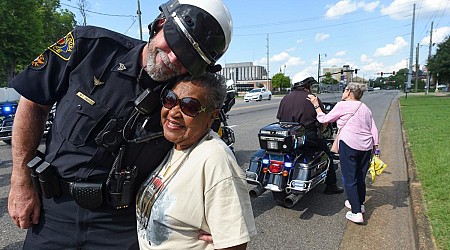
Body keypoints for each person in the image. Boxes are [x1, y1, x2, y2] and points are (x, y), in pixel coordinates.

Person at [7, 0, 233, 248]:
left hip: (122, 226)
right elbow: (32, 103)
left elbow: (205, 156)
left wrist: (212, 218)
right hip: (54, 212)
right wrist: (20, 181)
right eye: (174, 43)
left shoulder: (185, 99)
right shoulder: (89, 48)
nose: (172, 58)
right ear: (159, 24)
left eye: (188, 59)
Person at [136, 73, 256, 249]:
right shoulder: (175, 146)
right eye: (170, 99)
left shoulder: (215, 160)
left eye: (190, 107)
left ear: (212, 116)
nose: (174, 112)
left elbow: (234, 246)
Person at [307, 82, 379, 224]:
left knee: (349, 179)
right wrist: (376, 148)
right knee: (360, 176)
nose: (343, 92)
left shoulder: (342, 105)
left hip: (349, 145)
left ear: (349, 92)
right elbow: (373, 129)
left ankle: (356, 212)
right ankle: (359, 204)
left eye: (345, 89)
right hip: (366, 147)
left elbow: (323, 119)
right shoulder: (364, 107)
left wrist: (316, 104)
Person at [276, 76, 344, 195]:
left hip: (287, 137)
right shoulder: (312, 98)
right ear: (307, 85)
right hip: (308, 137)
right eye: (311, 85)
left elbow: (279, 118)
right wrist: (322, 133)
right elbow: (324, 120)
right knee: (328, 155)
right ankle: (331, 185)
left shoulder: (285, 98)